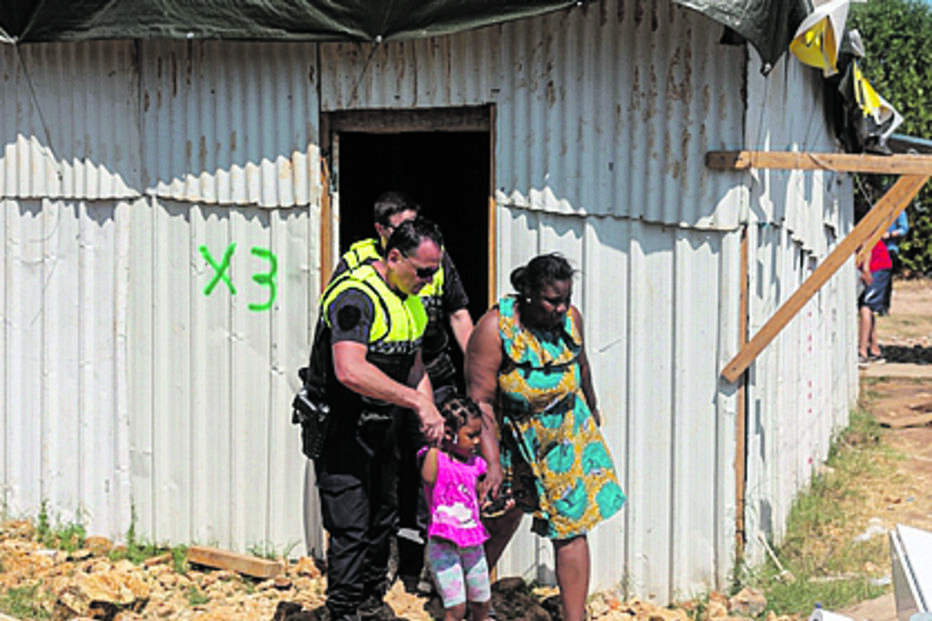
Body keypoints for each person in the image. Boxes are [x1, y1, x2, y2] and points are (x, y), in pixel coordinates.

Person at [465, 253, 626, 621]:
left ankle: (575, 618)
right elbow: (482, 402)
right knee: (499, 518)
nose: (562, 308)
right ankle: (468, 606)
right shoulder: (494, 330)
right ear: (528, 294)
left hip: (566, 435)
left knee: (571, 526)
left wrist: (594, 410)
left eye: (566, 299)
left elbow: (581, 365)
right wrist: (491, 463)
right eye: (553, 300)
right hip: (513, 437)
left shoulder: (571, 320)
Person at [305, 217, 446, 621]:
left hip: (381, 426)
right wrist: (414, 403)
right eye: (423, 271)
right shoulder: (355, 297)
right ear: (395, 256)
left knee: (383, 517)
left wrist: (429, 408)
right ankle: (343, 609)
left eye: (434, 272)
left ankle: (370, 600)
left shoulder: (411, 301)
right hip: (341, 428)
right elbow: (350, 370)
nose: (429, 280)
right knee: (350, 525)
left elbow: (415, 366)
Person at [333, 190, 474, 591]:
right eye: (401, 228)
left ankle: (437, 562)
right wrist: (414, 399)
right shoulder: (356, 277)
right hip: (371, 391)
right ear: (384, 237)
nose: (428, 280)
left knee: (438, 472)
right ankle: (378, 570)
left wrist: (476, 377)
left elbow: (457, 315)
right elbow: (348, 359)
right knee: (378, 486)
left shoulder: (432, 262)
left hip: (426, 379)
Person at [419, 395, 497, 621]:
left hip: (472, 542)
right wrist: (434, 444)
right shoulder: (436, 459)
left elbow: (482, 489)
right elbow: (428, 477)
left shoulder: (475, 464)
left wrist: (491, 499)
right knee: (456, 608)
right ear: (450, 434)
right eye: (471, 436)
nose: (476, 441)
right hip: (443, 544)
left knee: (482, 601)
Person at [858, 239, 892, 366]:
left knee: (865, 308)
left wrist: (866, 269)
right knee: (868, 307)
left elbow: (867, 245)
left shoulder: (863, 227)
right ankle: (874, 350)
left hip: (876, 267)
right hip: (879, 265)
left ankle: (862, 352)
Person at [880, 209, 909, 314]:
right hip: (876, 249)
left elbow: (904, 229)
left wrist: (890, 235)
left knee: (886, 279)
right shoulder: (876, 209)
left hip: (890, 249)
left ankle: (884, 307)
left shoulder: (899, 212)